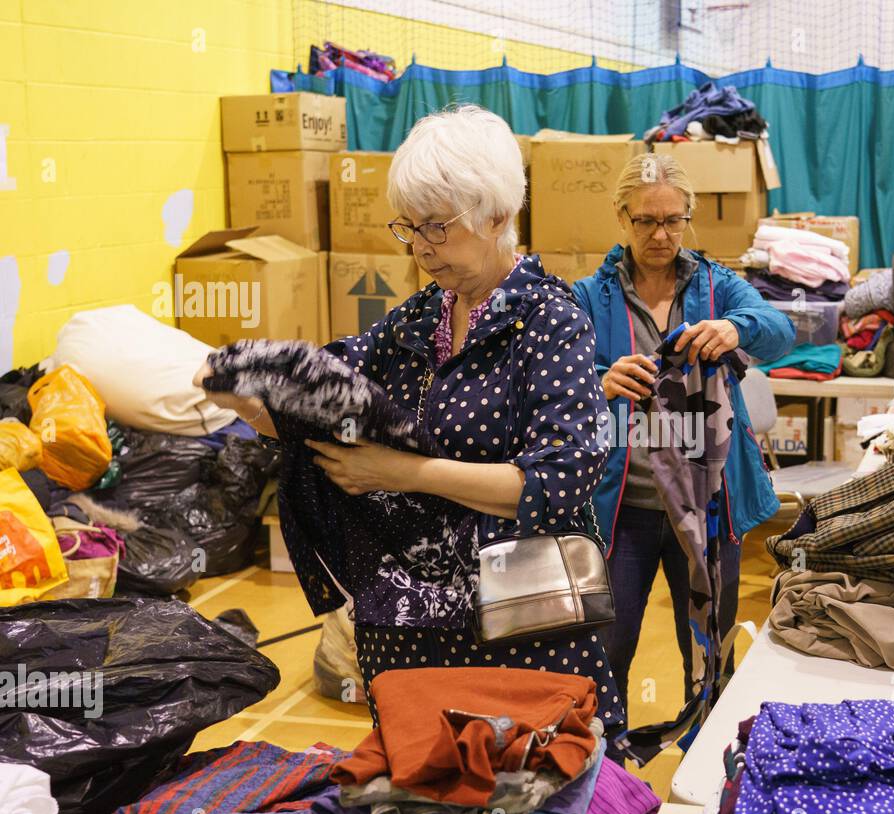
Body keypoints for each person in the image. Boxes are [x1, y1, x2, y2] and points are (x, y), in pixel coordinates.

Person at [195, 104, 626, 736]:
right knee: (421, 788)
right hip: (410, 629)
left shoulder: (549, 323)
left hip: (519, 625)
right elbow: (328, 393)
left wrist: (405, 472)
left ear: (498, 216)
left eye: (438, 228)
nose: (421, 247)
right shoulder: (420, 318)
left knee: (527, 781)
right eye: (410, 229)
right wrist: (250, 396)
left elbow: (557, 483)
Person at [571, 152, 794, 711]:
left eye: (673, 220)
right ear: (621, 217)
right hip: (621, 511)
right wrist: (600, 381)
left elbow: (781, 331)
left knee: (708, 651)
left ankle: (708, 777)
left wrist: (734, 327)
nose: (660, 233)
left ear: (688, 217)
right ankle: (604, 776)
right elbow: (552, 386)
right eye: (645, 220)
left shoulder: (718, 288)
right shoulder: (587, 299)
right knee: (604, 652)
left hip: (708, 506)